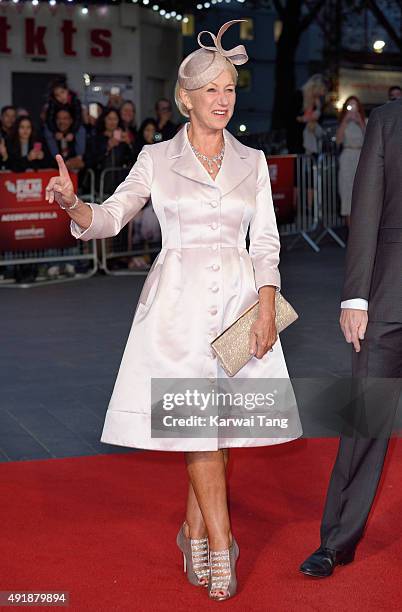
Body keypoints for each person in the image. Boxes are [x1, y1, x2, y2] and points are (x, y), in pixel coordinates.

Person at [44, 19, 303, 601]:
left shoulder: (253, 161)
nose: (222, 99)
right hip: (176, 309)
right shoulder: (156, 158)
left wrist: (266, 307)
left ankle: (191, 528)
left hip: (241, 303)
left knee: (222, 428)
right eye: (210, 89)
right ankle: (220, 542)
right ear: (185, 99)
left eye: (230, 88)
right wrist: (74, 203)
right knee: (199, 428)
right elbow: (112, 218)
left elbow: (265, 240)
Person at [300, 96, 402, 578]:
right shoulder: (388, 120)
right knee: (365, 420)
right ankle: (336, 542)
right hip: (388, 296)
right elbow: (366, 206)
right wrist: (355, 297)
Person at [336, 96, 366, 226]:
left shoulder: (365, 121)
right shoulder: (343, 123)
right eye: (349, 106)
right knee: (347, 193)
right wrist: (345, 121)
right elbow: (338, 141)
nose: (352, 109)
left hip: (362, 156)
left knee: (363, 193)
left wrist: (360, 122)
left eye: (355, 106)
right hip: (347, 156)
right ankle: (350, 232)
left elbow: (370, 139)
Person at [287, 74, 328, 154]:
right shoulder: (298, 96)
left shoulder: (317, 102)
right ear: (316, 87)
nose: (323, 94)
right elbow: (290, 117)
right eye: (323, 90)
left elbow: (320, 119)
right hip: (297, 139)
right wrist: (304, 119)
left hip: (312, 137)